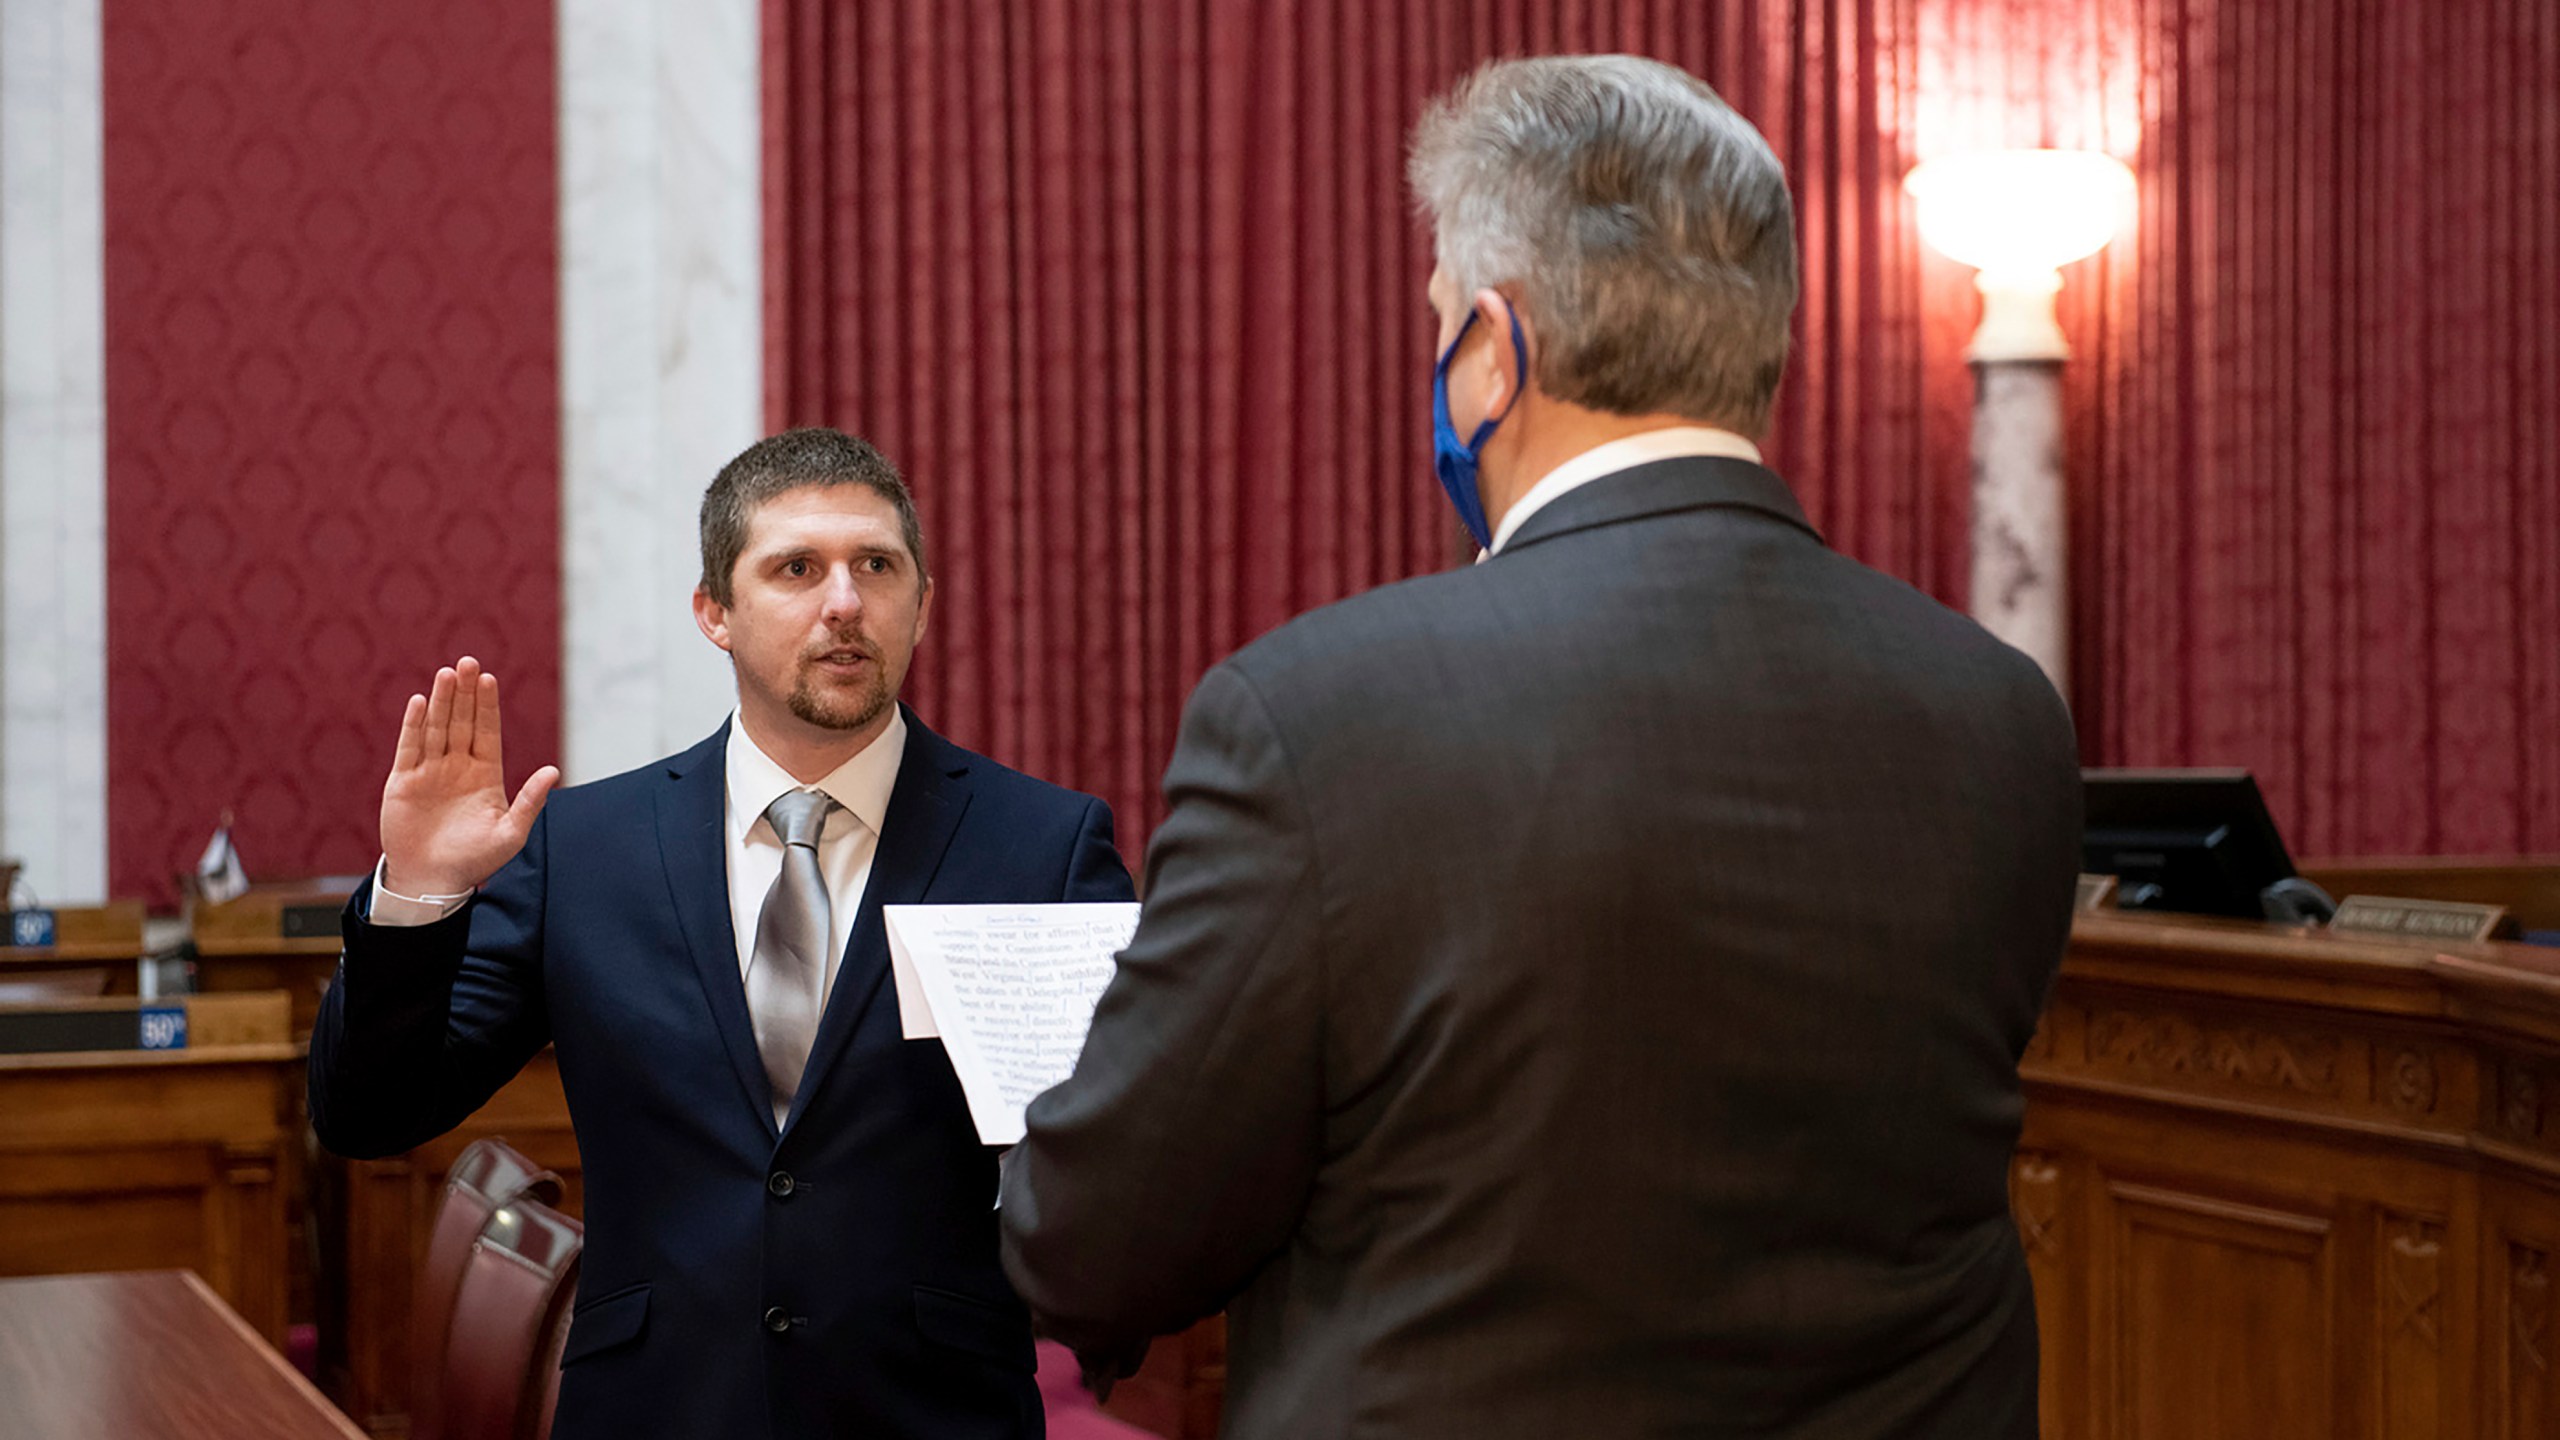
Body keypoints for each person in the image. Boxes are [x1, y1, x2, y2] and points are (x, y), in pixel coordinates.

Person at [997, 55, 2081, 1440]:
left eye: (1444, 323)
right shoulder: (2002, 714)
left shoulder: (1317, 714)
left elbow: (1098, 1243)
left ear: (1495, 351)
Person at [310, 427, 1134, 1440]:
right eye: (796, 568)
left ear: (921, 604)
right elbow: (368, 1114)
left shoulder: (1041, 846)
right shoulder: (586, 850)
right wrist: (422, 892)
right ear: (715, 613)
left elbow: (1121, 1150)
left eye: (876, 566)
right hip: (655, 1408)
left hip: (933, 1412)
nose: (844, 602)